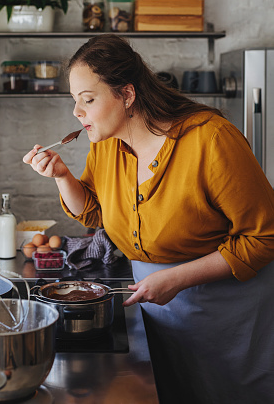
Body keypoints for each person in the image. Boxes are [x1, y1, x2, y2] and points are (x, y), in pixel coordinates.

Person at [23, 34, 274, 404]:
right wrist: (62, 176)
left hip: (223, 309)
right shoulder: (106, 144)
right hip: (155, 303)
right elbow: (97, 213)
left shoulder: (211, 139)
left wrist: (177, 278)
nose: (77, 113)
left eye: (87, 100)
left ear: (126, 94)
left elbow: (264, 238)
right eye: (74, 102)